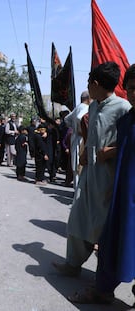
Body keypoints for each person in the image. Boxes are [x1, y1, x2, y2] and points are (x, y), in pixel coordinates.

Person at [52, 62, 132, 278]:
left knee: (103, 226)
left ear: (95, 84)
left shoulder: (123, 107)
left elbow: (129, 141)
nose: (88, 87)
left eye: (89, 83)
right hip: (89, 171)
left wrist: (112, 151)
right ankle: (72, 264)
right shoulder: (95, 106)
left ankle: (104, 279)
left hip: (108, 177)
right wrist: (87, 150)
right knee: (78, 217)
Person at [64, 91, 91, 190]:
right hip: (81, 139)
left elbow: (67, 119)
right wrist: (81, 130)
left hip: (75, 139)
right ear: (88, 98)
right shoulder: (85, 108)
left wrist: (74, 128)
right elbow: (81, 118)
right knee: (80, 167)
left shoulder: (77, 108)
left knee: (76, 167)